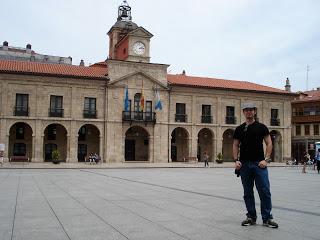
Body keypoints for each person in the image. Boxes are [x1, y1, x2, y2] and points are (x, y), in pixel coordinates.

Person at [233, 102, 278, 228]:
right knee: (247, 192)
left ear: (255, 112)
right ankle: (251, 217)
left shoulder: (262, 127)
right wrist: (236, 160)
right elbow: (235, 145)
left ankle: (267, 218)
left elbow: (269, 143)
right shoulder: (239, 129)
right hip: (244, 165)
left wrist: (266, 159)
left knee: (264, 191)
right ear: (243, 112)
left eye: (251, 110)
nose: (249, 112)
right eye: (246, 110)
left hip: (259, 164)